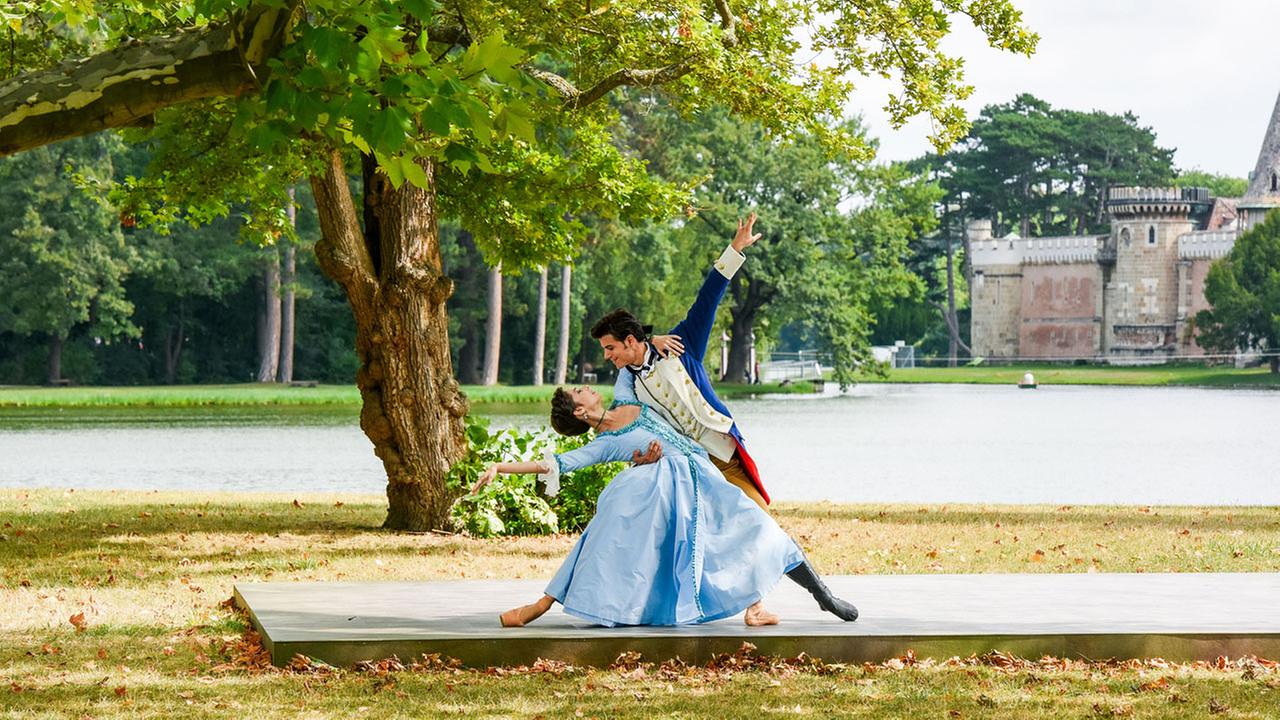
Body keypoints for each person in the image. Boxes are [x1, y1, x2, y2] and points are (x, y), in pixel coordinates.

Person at [591, 213, 858, 621]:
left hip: (725, 454)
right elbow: (621, 424)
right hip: (689, 468)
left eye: (610, 348)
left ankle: (821, 596)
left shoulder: (680, 344)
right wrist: (634, 454)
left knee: (762, 525)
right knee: (707, 538)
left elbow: (708, 297)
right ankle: (745, 606)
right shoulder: (626, 384)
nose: (607, 357)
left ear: (630, 341)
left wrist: (735, 248)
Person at [472, 386, 855, 628]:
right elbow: (557, 463)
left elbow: (632, 356)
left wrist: (655, 339)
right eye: (579, 391)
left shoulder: (625, 395)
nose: (586, 386)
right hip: (678, 487)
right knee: (730, 539)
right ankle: (757, 606)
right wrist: (499, 467)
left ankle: (819, 597)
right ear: (578, 411)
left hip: (702, 471)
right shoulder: (604, 442)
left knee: (757, 528)